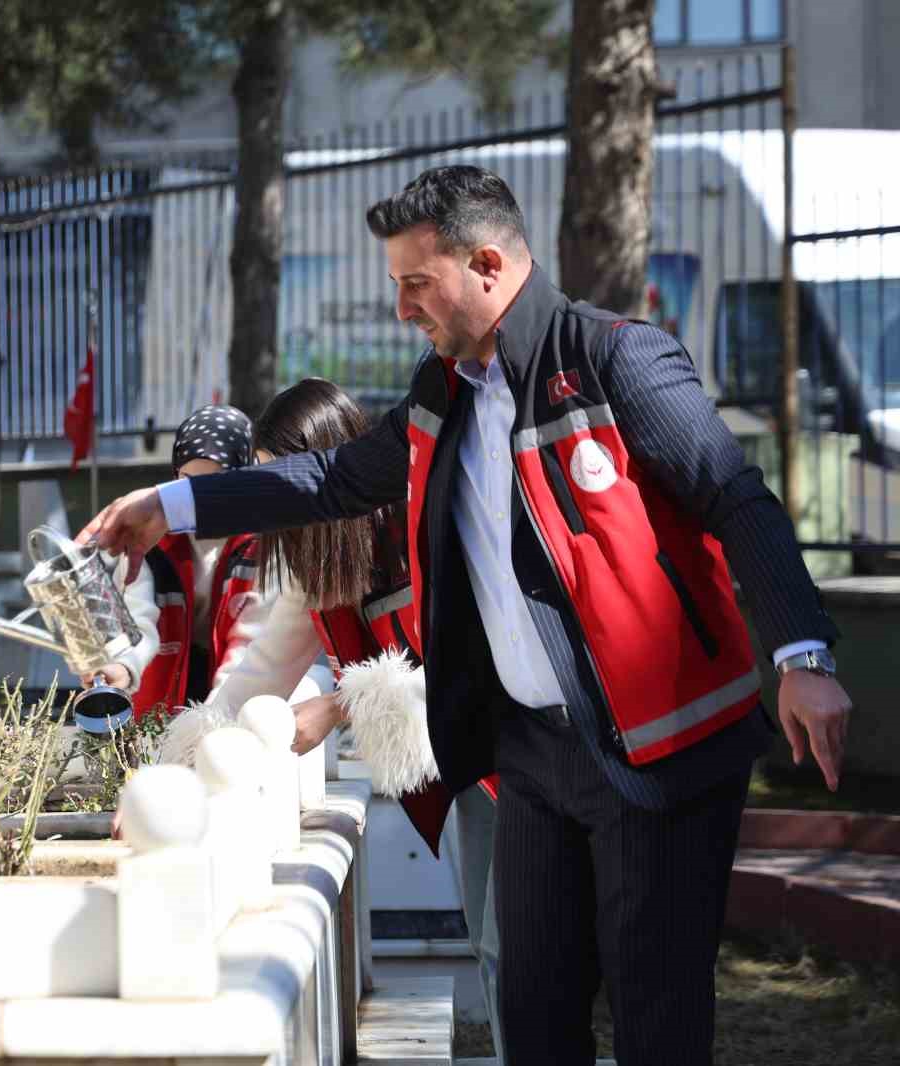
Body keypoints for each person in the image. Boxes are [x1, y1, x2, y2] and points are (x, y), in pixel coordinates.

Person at [82, 166, 852, 1066]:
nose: (405, 307)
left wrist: (805, 654)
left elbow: (734, 494)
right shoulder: (438, 391)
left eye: (417, 282)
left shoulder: (612, 357)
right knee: (531, 1012)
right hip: (527, 756)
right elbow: (330, 479)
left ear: (487, 264)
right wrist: (170, 506)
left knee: (657, 1018)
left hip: (658, 749)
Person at [180, 378, 508, 1062]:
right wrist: (179, 757)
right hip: (472, 774)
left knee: (517, 947)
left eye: (285, 482)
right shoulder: (316, 559)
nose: (277, 504)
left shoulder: (420, 519)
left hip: (519, 762)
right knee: (493, 941)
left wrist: (335, 706)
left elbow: (460, 668)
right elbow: (258, 674)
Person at [96, 405, 275, 718]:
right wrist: (125, 664)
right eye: (187, 481)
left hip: (237, 680)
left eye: (214, 483)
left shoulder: (262, 544)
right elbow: (137, 619)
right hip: (167, 680)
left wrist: (216, 718)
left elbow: (250, 643)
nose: (198, 496)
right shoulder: (151, 540)